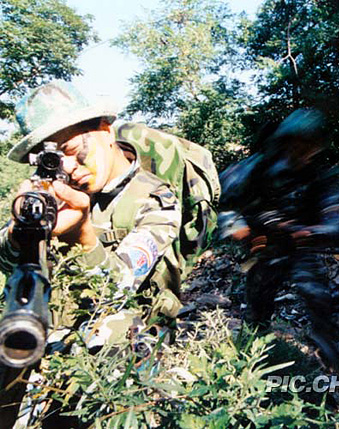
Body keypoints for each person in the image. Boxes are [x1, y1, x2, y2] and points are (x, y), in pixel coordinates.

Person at [0, 80, 199, 425]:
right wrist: (21, 233)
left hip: (126, 337)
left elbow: (119, 288)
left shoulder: (156, 201)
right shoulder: (54, 188)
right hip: (55, 330)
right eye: (52, 158)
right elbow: (6, 260)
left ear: (105, 130)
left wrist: (83, 235)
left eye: (75, 150)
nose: (70, 168)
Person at [219, 109, 339, 371]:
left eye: (311, 145)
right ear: (287, 140)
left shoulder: (317, 175)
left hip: (300, 249)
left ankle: (330, 354)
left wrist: (318, 230)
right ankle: (249, 360)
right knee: (258, 307)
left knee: (318, 298)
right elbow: (222, 200)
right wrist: (239, 227)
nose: (305, 151)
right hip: (266, 249)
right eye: (300, 143)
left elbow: (334, 213)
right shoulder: (257, 169)